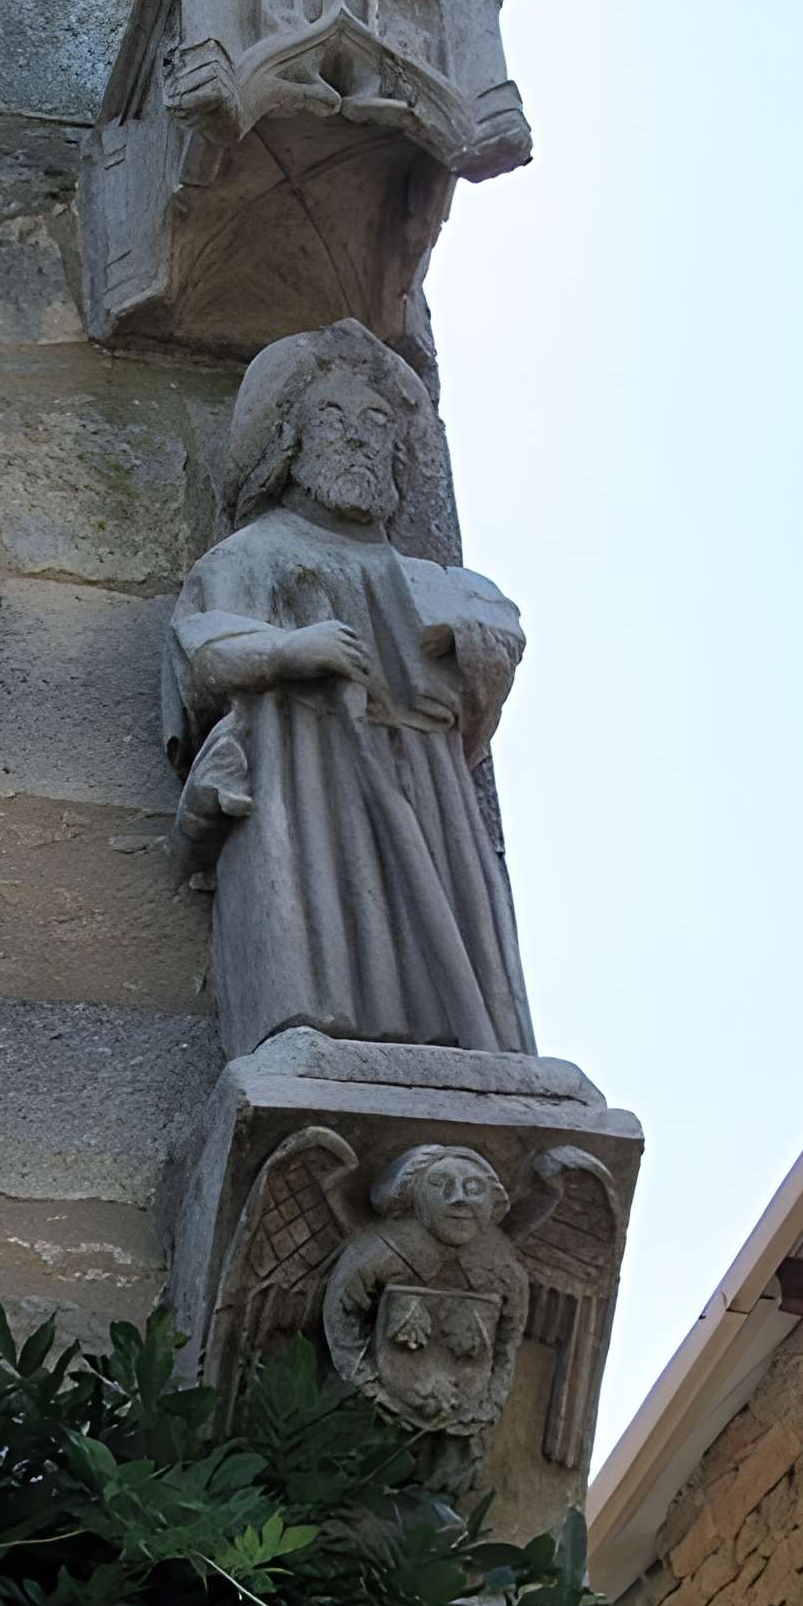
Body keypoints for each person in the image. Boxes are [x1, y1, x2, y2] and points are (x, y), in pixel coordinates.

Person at [163, 319, 533, 1059]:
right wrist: (291, 648)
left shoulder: (429, 579)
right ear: (290, 441)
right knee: (320, 947)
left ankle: (468, 1053)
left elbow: (496, 633)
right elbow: (201, 651)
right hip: (304, 782)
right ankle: (307, 1035)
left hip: (428, 792)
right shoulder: (254, 555)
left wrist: (464, 646)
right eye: (332, 417)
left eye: (375, 422)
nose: (358, 437)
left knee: (445, 964)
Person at [321, 1144, 529, 1490]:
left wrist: (492, 1400)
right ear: (413, 1196)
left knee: (449, 1491)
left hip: (462, 1419)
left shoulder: (502, 1266)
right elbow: (341, 1321)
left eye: (474, 1188)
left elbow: (509, 1339)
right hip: (370, 1409)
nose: (459, 1199)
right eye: (441, 1185)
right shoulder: (378, 1252)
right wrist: (370, 1387)